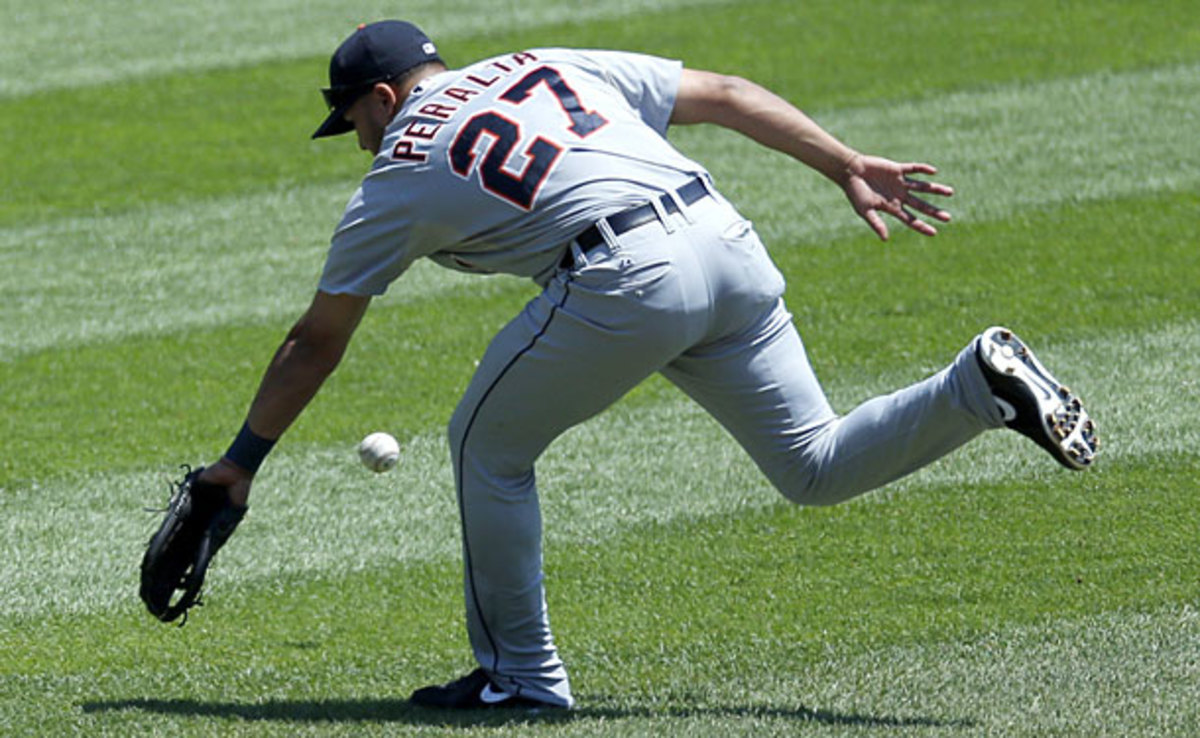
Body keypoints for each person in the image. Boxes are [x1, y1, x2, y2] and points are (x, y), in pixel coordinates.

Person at [197, 20, 1098, 710]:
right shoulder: (543, 63)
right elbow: (727, 90)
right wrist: (844, 163)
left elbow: (316, 340)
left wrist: (241, 459)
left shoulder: (399, 164)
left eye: (352, 117)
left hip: (625, 276)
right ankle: (976, 384)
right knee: (813, 464)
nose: (356, 138)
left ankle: (521, 679)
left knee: (483, 445)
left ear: (386, 99)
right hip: (725, 238)